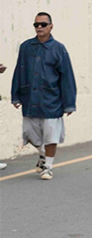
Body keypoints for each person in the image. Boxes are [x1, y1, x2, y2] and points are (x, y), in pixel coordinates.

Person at [11, 12, 77, 180]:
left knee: (51, 136)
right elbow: (19, 70)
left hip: (51, 100)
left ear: (51, 26)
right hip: (30, 99)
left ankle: (48, 166)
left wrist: (69, 103)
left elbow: (67, 76)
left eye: (43, 24)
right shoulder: (26, 47)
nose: (39, 27)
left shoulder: (59, 49)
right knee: (29, 133)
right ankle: (42, 153)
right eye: (36, 25)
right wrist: (15, 95)